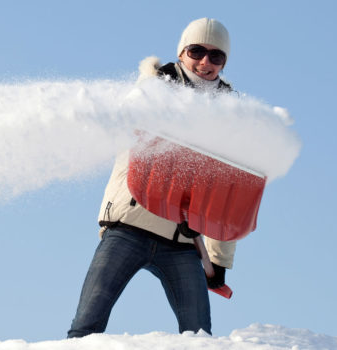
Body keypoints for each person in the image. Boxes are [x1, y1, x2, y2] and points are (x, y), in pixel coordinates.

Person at [67, 18, 237, 338]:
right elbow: (134, 120)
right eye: (197, 51)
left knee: (200, 336)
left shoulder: (231, 114)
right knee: (86, 327)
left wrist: (218, 259)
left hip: (183, 243)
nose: (205, 62)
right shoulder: (155, 88)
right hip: (129, 227)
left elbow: (229, 195)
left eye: (217, 56)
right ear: (181, 52)